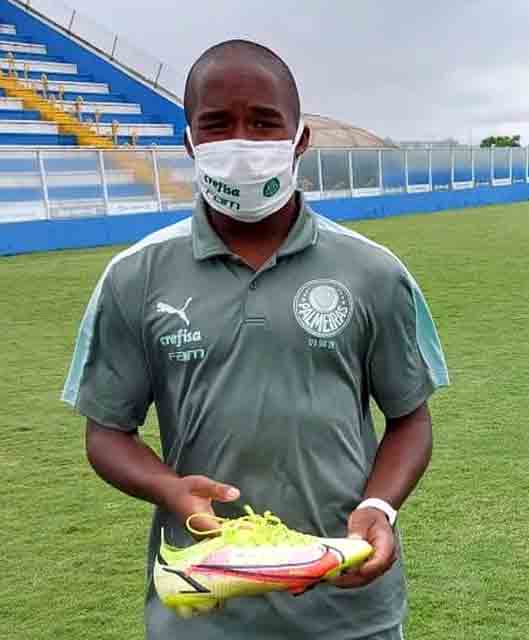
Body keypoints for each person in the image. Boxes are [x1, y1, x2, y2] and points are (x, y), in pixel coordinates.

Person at [62, 39, 448, 640]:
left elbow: (410, 418)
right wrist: (168, 487)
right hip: (202, 611)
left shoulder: (373, 272)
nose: (242, 140)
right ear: (190, 140)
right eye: (217, 124)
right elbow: (106, 432)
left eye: (264, 122)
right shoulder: (134, 277)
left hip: (349, 613)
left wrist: (379, 507)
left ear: (299, 139)